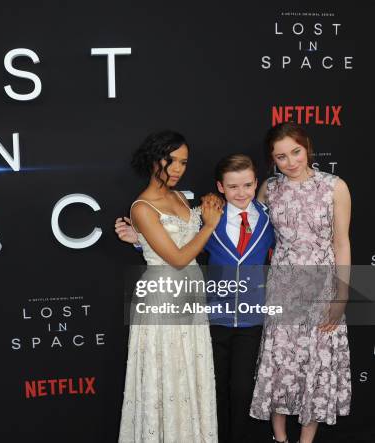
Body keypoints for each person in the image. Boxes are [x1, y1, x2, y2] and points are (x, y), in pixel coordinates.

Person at [117, 153, 276, 442]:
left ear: (256, 184)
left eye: (248, 185)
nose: (241, 192)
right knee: (210, 388)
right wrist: (140, 241)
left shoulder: (268, 218)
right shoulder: (207, 214)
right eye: (233, 186)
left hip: (252, 319)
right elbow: (179, 245)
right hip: (212, 318)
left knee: (242, 390)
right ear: (220, 187)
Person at [249, 121, 352, 443]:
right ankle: (279, 438)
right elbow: (244, 226)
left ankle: (306, 440)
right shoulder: (270, 188)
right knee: (280, 360)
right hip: (282, 286)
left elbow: (342, 243)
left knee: (317, 359)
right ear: (272, 160)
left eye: (295, 152)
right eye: (281, 157)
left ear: (307, 147)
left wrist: (342, 296)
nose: (291, 162)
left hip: (323, 286)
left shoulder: (334, 187)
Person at [118, 130, 222, 442]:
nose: (177, 168)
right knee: (165, 373)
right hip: (163, 294)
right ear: (153, 159)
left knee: (189, 371)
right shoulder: (142, 207)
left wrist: (207, 210)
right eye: (170, 160)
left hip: (191, 294)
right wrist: (210, 225)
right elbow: (177, 258)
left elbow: (180, 243)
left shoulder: (179, 197)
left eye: (183, 162)